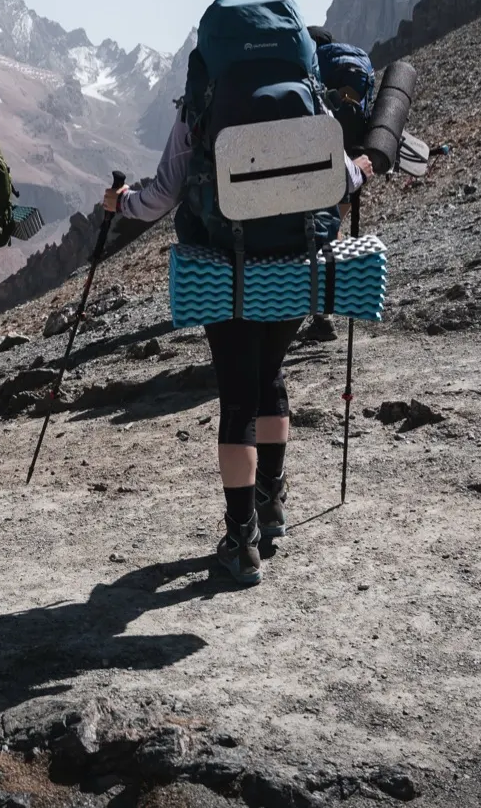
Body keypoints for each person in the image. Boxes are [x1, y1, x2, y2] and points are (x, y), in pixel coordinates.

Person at [106, 81, 371, 587]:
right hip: (294, 263)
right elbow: (341, 178)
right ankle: (271, 503)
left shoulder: (202, 99)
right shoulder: (306, 91)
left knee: (237, 400)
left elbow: (162, 194)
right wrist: (361, 166)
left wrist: (122, 204)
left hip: (226, 269)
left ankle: (242, 541)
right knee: (270, 373)